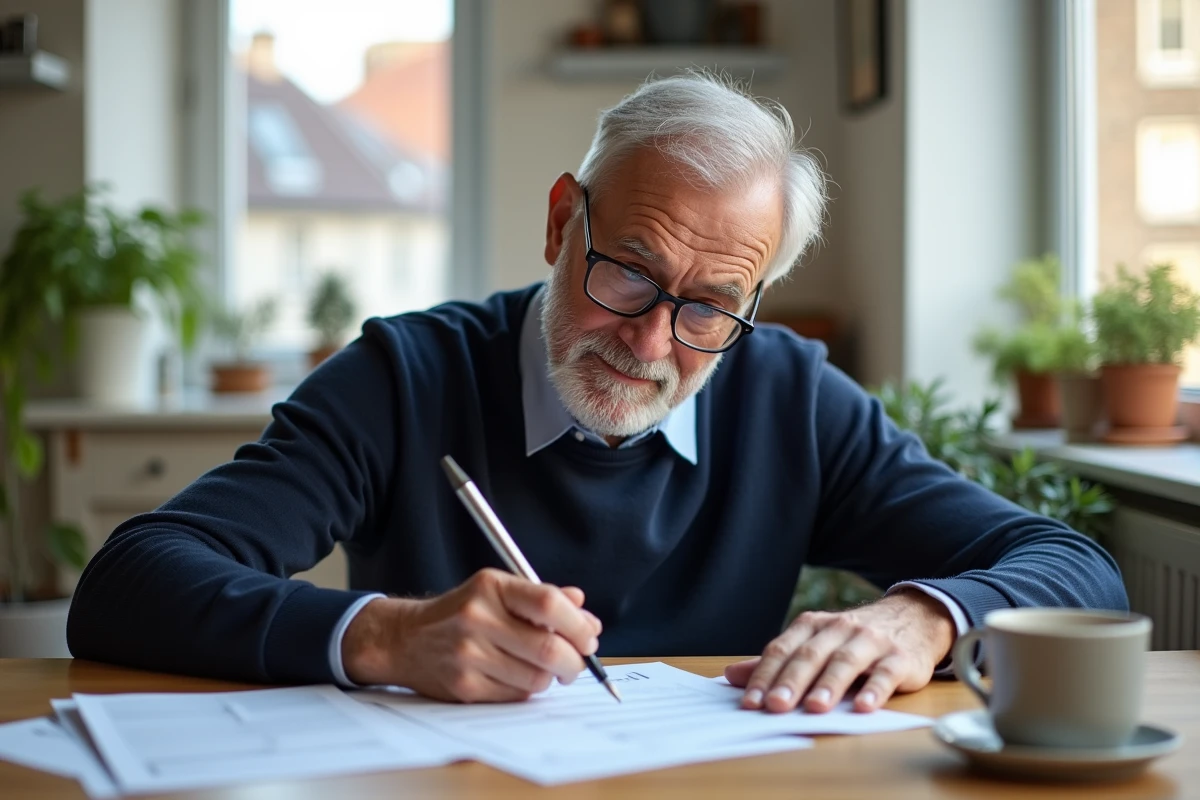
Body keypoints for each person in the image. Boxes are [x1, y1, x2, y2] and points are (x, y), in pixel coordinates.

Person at [68, 73, 1126, 714]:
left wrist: (924, 616)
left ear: (756, 297)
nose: (655, 341)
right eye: (627, 270)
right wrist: (387, 635)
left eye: (712, 304)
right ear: (559, 222)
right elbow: (128, 583)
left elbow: (1079, 568)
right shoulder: (406, 376)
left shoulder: (791, 398)